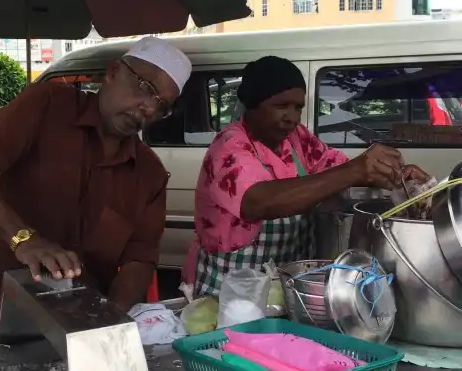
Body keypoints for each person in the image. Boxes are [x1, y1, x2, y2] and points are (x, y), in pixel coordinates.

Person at [0, 36, 192, 332]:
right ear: (113, 72)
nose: (148, 109)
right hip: (2, 317)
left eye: (161, 105)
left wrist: (109, 319)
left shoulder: (149, 174)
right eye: (146, 89)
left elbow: (139, 261)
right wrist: (23, 239)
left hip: (83, 326)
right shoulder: (46, 105)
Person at [183, 56, 430, 297]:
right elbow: (259, 202)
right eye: (281, 106)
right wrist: (355, 169)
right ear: (252, 104)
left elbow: (337, 169)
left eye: (297, 107)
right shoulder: (229, 147)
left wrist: (394, 174)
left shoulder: (296, 138)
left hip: (282, 286)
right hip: (231, 293)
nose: (291, 117)